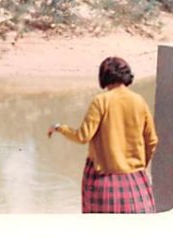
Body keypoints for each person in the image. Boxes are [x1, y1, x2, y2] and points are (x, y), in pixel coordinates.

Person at [47, 56, 158, 213]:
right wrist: (138, 165)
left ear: (104, 77)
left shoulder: (101, 101)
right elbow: (152, 141)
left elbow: (82, 136)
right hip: (135, 179)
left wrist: (59, 128)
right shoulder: (138, 101)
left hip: (103, 180)